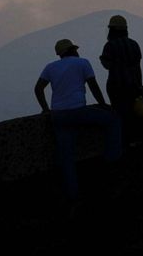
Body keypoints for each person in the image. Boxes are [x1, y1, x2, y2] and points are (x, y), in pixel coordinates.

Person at [34, 39, 121, 201]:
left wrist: (46, 109)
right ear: (73, 50)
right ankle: (112, 160)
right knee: (113, 120)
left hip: (58, 116)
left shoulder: (50, 67)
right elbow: (93, 86)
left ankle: (73, 197)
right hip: (78, 111)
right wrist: (103, 104)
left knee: (67, 158)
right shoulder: (83, 63)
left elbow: (38, 89)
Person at [99, 15, 143, 146]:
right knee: (134, 114)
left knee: (120, 113)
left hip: (116, 85)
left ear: (112, 30)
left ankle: (122, 142)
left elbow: (107, 65)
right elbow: (137, 66)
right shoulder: (134, 44)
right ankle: (136, 140)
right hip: (134, 84)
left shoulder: (110, 45)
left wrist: (103, 60)